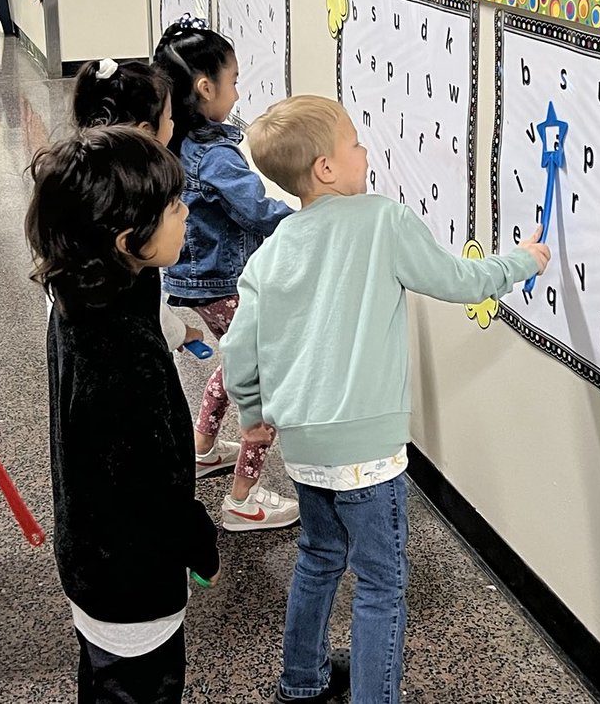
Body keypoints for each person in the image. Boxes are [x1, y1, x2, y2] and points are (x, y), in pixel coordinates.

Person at [221, 96, 550, 703]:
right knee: (380, 583)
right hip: (369, 455)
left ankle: (301, 680)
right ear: (325, 167)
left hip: (305, 449)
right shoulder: (382, 221)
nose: (365, 150)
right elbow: (459, 281)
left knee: (318, 557)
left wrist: (253, 412)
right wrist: (521, 263)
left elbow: (239, 347)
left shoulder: (274, 248)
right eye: (354, 142)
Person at [27, 127, 221, 704]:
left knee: (102, 675)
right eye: (173, 206)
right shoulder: (122, 357)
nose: (186, 213)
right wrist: (199, 542)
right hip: (130, 574)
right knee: (136, 687)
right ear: (125, 239)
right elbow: (151, 478)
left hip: (89, 552)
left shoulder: (83, 289)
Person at [154, 18, 298, 532]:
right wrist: (310, 220)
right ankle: (243, 499)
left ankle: (203, 448)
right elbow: (256, 210)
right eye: (233, 81)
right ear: (205, 87)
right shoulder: (214, 154)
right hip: (221, 282)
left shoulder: (177, 141)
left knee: (236, 359)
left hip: (193, 282)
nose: (237, 92)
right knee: (262, 377)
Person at [70, 57, 203, 354]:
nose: (184, 212)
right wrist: (179, 333)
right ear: (146, 131)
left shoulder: (84, 178)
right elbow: (144, 306)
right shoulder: (138, 202)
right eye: (169, 117)